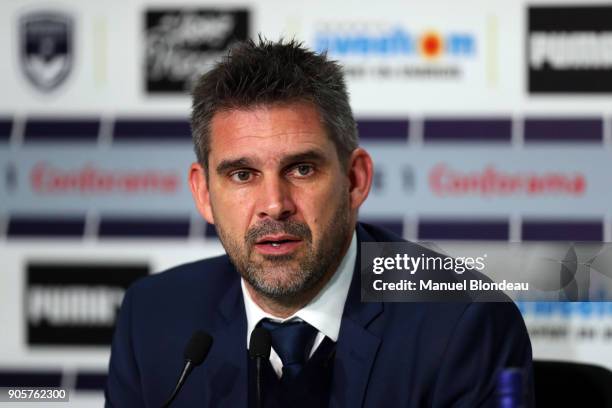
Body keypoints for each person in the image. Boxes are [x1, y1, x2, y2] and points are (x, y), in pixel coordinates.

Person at [105, 38, 534, 407]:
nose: (274, 205)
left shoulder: (464, 324)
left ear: (355, 180)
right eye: (242, 175)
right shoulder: (153, 317)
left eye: (302, 169)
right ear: (203, 194)